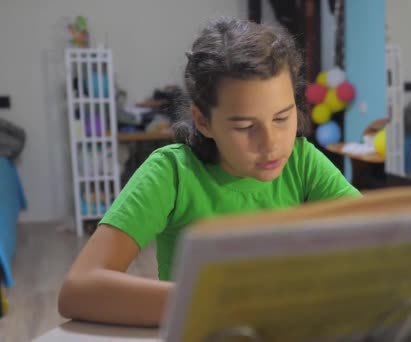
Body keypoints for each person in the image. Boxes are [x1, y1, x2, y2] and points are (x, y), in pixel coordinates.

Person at [58, 17, 360, 327]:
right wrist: (220, 304)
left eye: (282, 118)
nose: (271, 144)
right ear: (203, 121)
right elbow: (79, 291)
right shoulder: (173, 173)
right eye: (244, 126)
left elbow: (381, 240)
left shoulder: (302, 162)